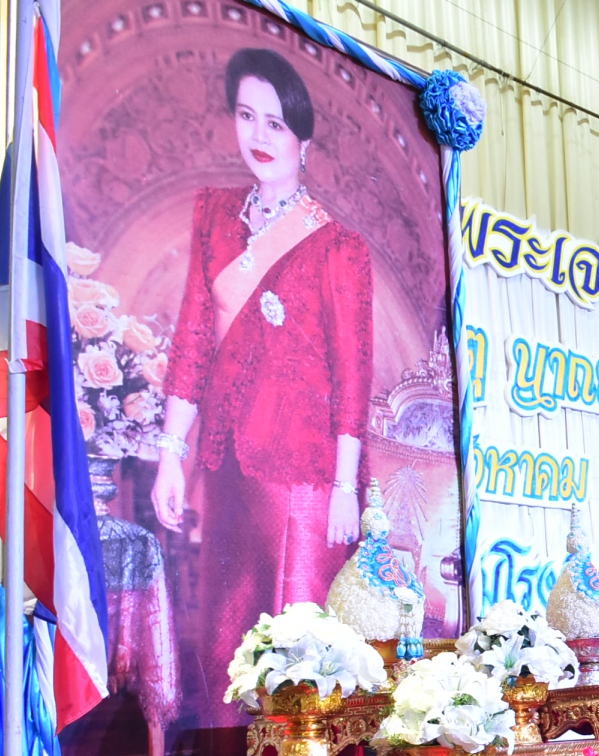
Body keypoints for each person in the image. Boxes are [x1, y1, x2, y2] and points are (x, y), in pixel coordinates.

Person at [152, 47, 373, 719]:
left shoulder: (337, 245)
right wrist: (171, 455)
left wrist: (344, 487)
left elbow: (354, 373)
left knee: (297, 657)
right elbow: (193, 335)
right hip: (226, 469)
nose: (259, 136)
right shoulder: (214, 216)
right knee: (227, 649)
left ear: (303, 141)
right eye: (247, 116)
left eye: (276, 123)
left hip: (304, 480)